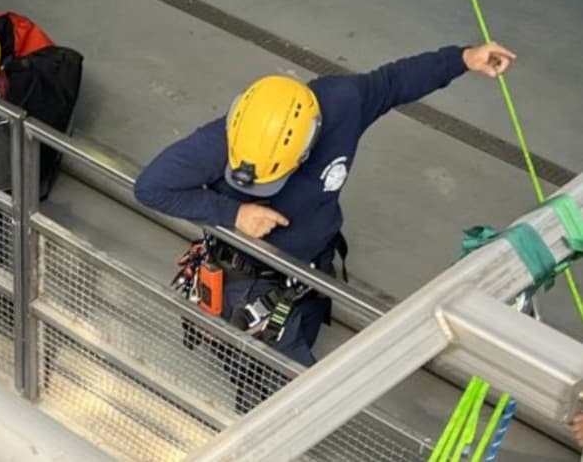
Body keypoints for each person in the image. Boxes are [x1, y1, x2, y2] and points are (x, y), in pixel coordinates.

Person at [134, 43, 516, 367]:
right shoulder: (219, 141)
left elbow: (393, 83)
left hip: (313, 265)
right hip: (249, 280)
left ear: (306, 146)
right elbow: (152, 187)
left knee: (306, 326)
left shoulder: (341, 103)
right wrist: (234, 214)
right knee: (287, 378)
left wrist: (462, 58)